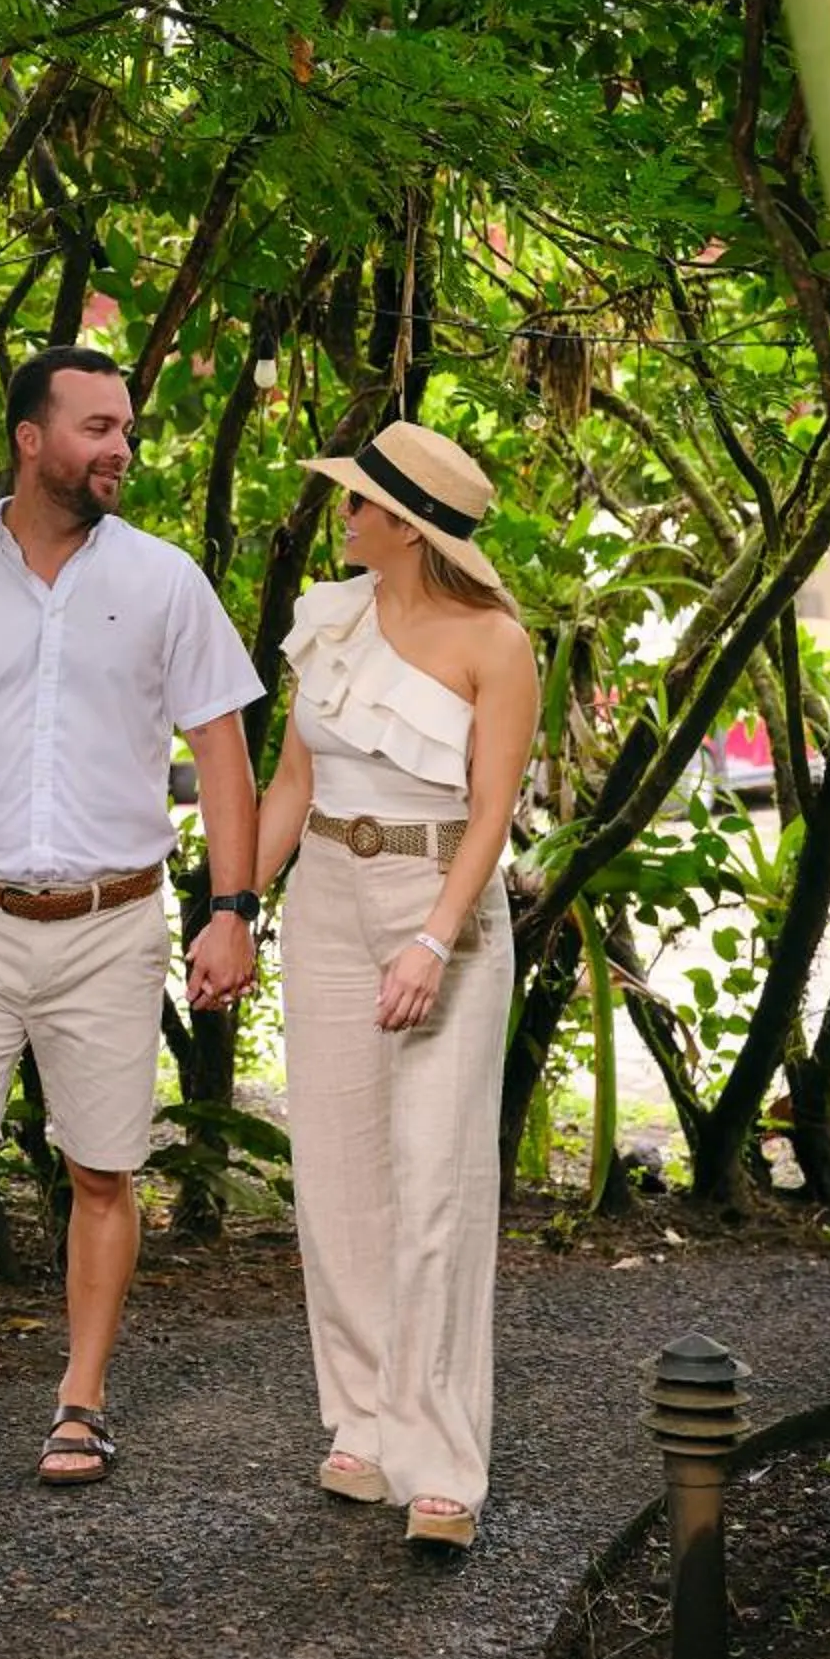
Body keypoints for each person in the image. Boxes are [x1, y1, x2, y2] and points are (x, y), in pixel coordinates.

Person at [0, 345, 264, 1511]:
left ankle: (82, 1399)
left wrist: (232, 910)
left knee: (101, 1169)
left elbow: (221, 751)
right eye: (95, 427)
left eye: (126, 427)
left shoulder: (168, 580)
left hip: (111, 922)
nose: (118, 446)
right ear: (32, 437)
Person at [253, 418, 538, 1549]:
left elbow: (494, 810)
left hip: (438, 904)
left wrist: (433, 937)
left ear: (409, 529)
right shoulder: (330, 619)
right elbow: (287, 779)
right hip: (321, 890)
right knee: (338, 1171)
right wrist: (230, 910)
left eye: (361, 502)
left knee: (438, 1185)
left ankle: (444, 1465)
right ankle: (363, 1420)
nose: (344, 515)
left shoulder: (494, 643)